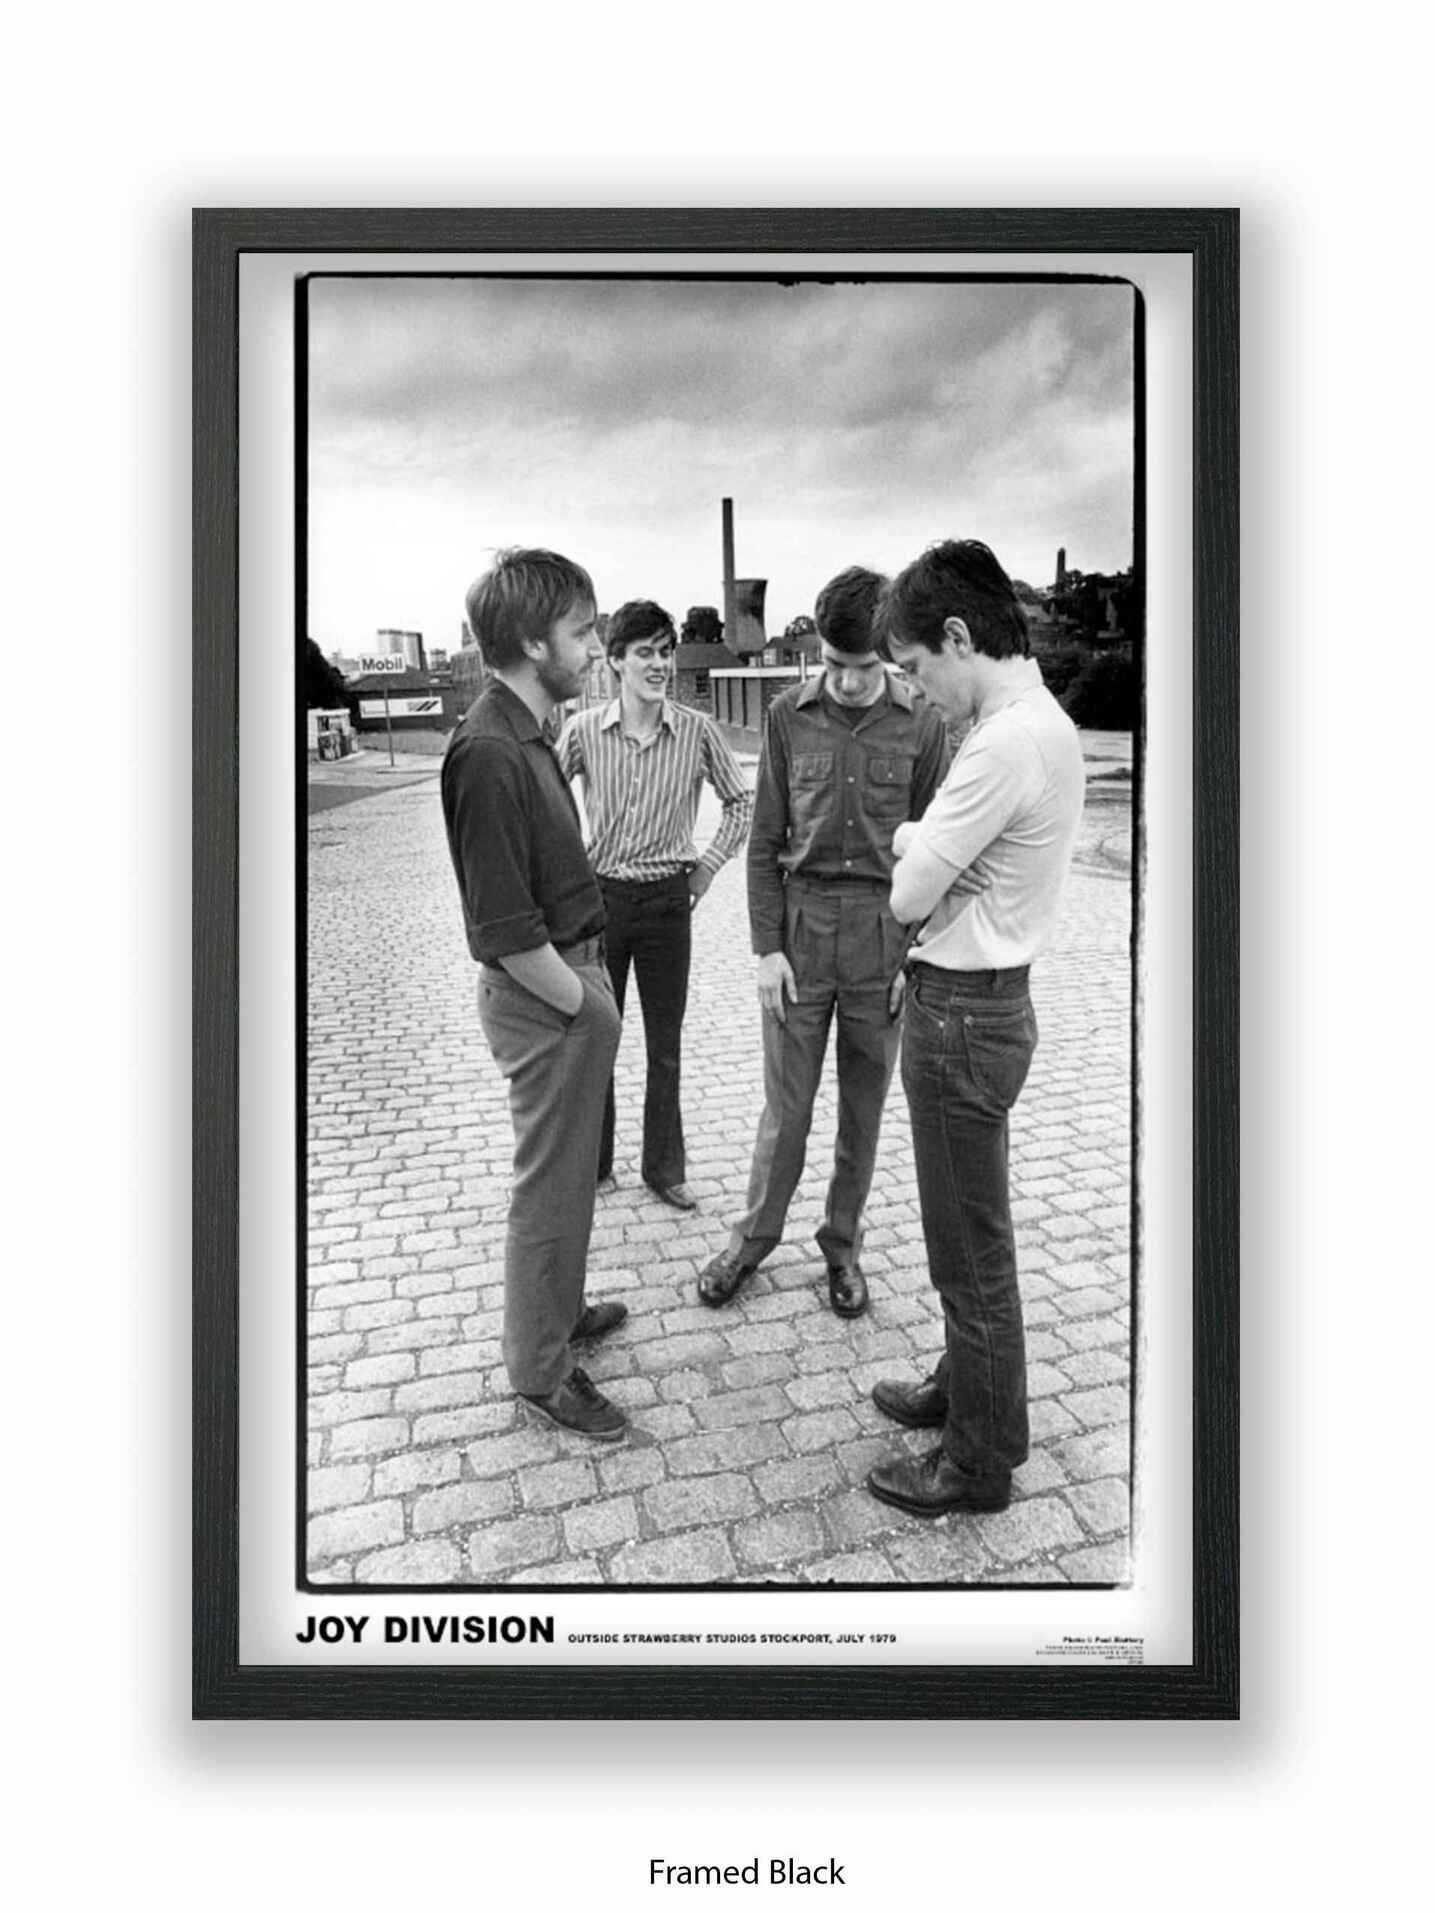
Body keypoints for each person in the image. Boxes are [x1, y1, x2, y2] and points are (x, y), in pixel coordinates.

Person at [865, 539, 1086, 1516]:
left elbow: (908, 889)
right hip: (986, 1004)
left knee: (969, 1251)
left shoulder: (1002, 739)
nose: (917, 693)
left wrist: (917, 840)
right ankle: (963, 1386)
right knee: (967, 1236)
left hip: (963, 1016)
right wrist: (931, 843)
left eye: (915, 669)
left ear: (957, 637)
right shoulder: (1038, 723)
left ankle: (977, 1460)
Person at [698, 566, 950, 1319]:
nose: (845, 681)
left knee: (863, 1108)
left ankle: (842, 1247)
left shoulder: (923, 723)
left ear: (888, 659)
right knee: (787, 1108)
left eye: (863, 667)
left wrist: (917, 953)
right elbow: (765, 836)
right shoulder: (785, 716)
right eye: (834, 664)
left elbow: (935, 851)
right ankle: (751, 1240)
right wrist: (765, 949)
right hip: (801, 935)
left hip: (884, 932)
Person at [439, 548, 629, 1443]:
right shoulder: (485, 750)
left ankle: (558, 1310)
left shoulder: (529, 730)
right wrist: (584, 1004)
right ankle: (541, 1368)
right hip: (545, 993)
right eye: (582, 631)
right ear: (529, 641)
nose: (595, 648)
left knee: (568, 1184)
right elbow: (504, 927)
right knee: (549, 1190)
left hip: (566, 980)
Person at [556, 599, 752, 1211]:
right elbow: (545, 801)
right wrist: (566, 878)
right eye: (645, 652)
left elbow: (741, 803)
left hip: (670, 903)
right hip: (602, 901)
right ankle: (594, 1163)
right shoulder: (584, 730)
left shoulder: (696, 731)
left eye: (666, 652)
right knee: (598, 1038)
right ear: (615, 661)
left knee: (665, 1043)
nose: (659, 664)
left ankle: (664, 1169)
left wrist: (708, 868)